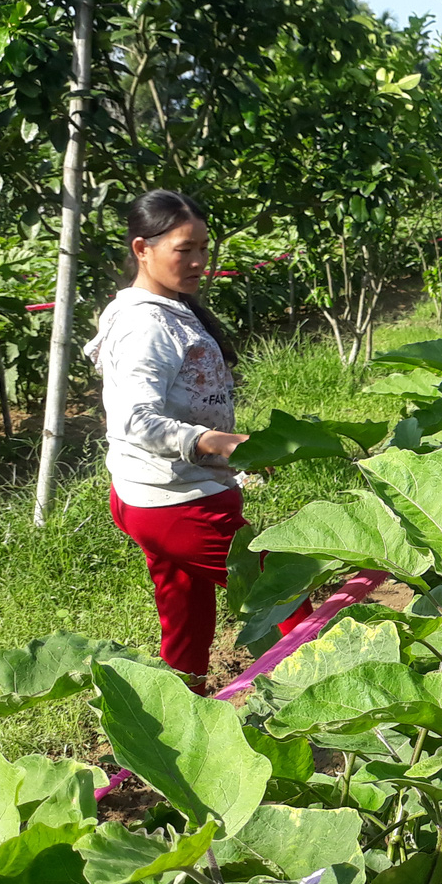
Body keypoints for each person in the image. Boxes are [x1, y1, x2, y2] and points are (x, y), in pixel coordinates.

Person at [88, 189, 309, 690]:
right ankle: (334, 699)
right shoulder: (144, 324)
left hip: (155, 494)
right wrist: (218, 442)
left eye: (204, 249)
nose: (197, 262)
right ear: (142, 249)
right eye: (184, 250)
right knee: (286, 593)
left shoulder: (168, 307)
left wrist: (229, 447)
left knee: (185, 617)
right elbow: (133, 421)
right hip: (178, 501)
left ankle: (181, 708)